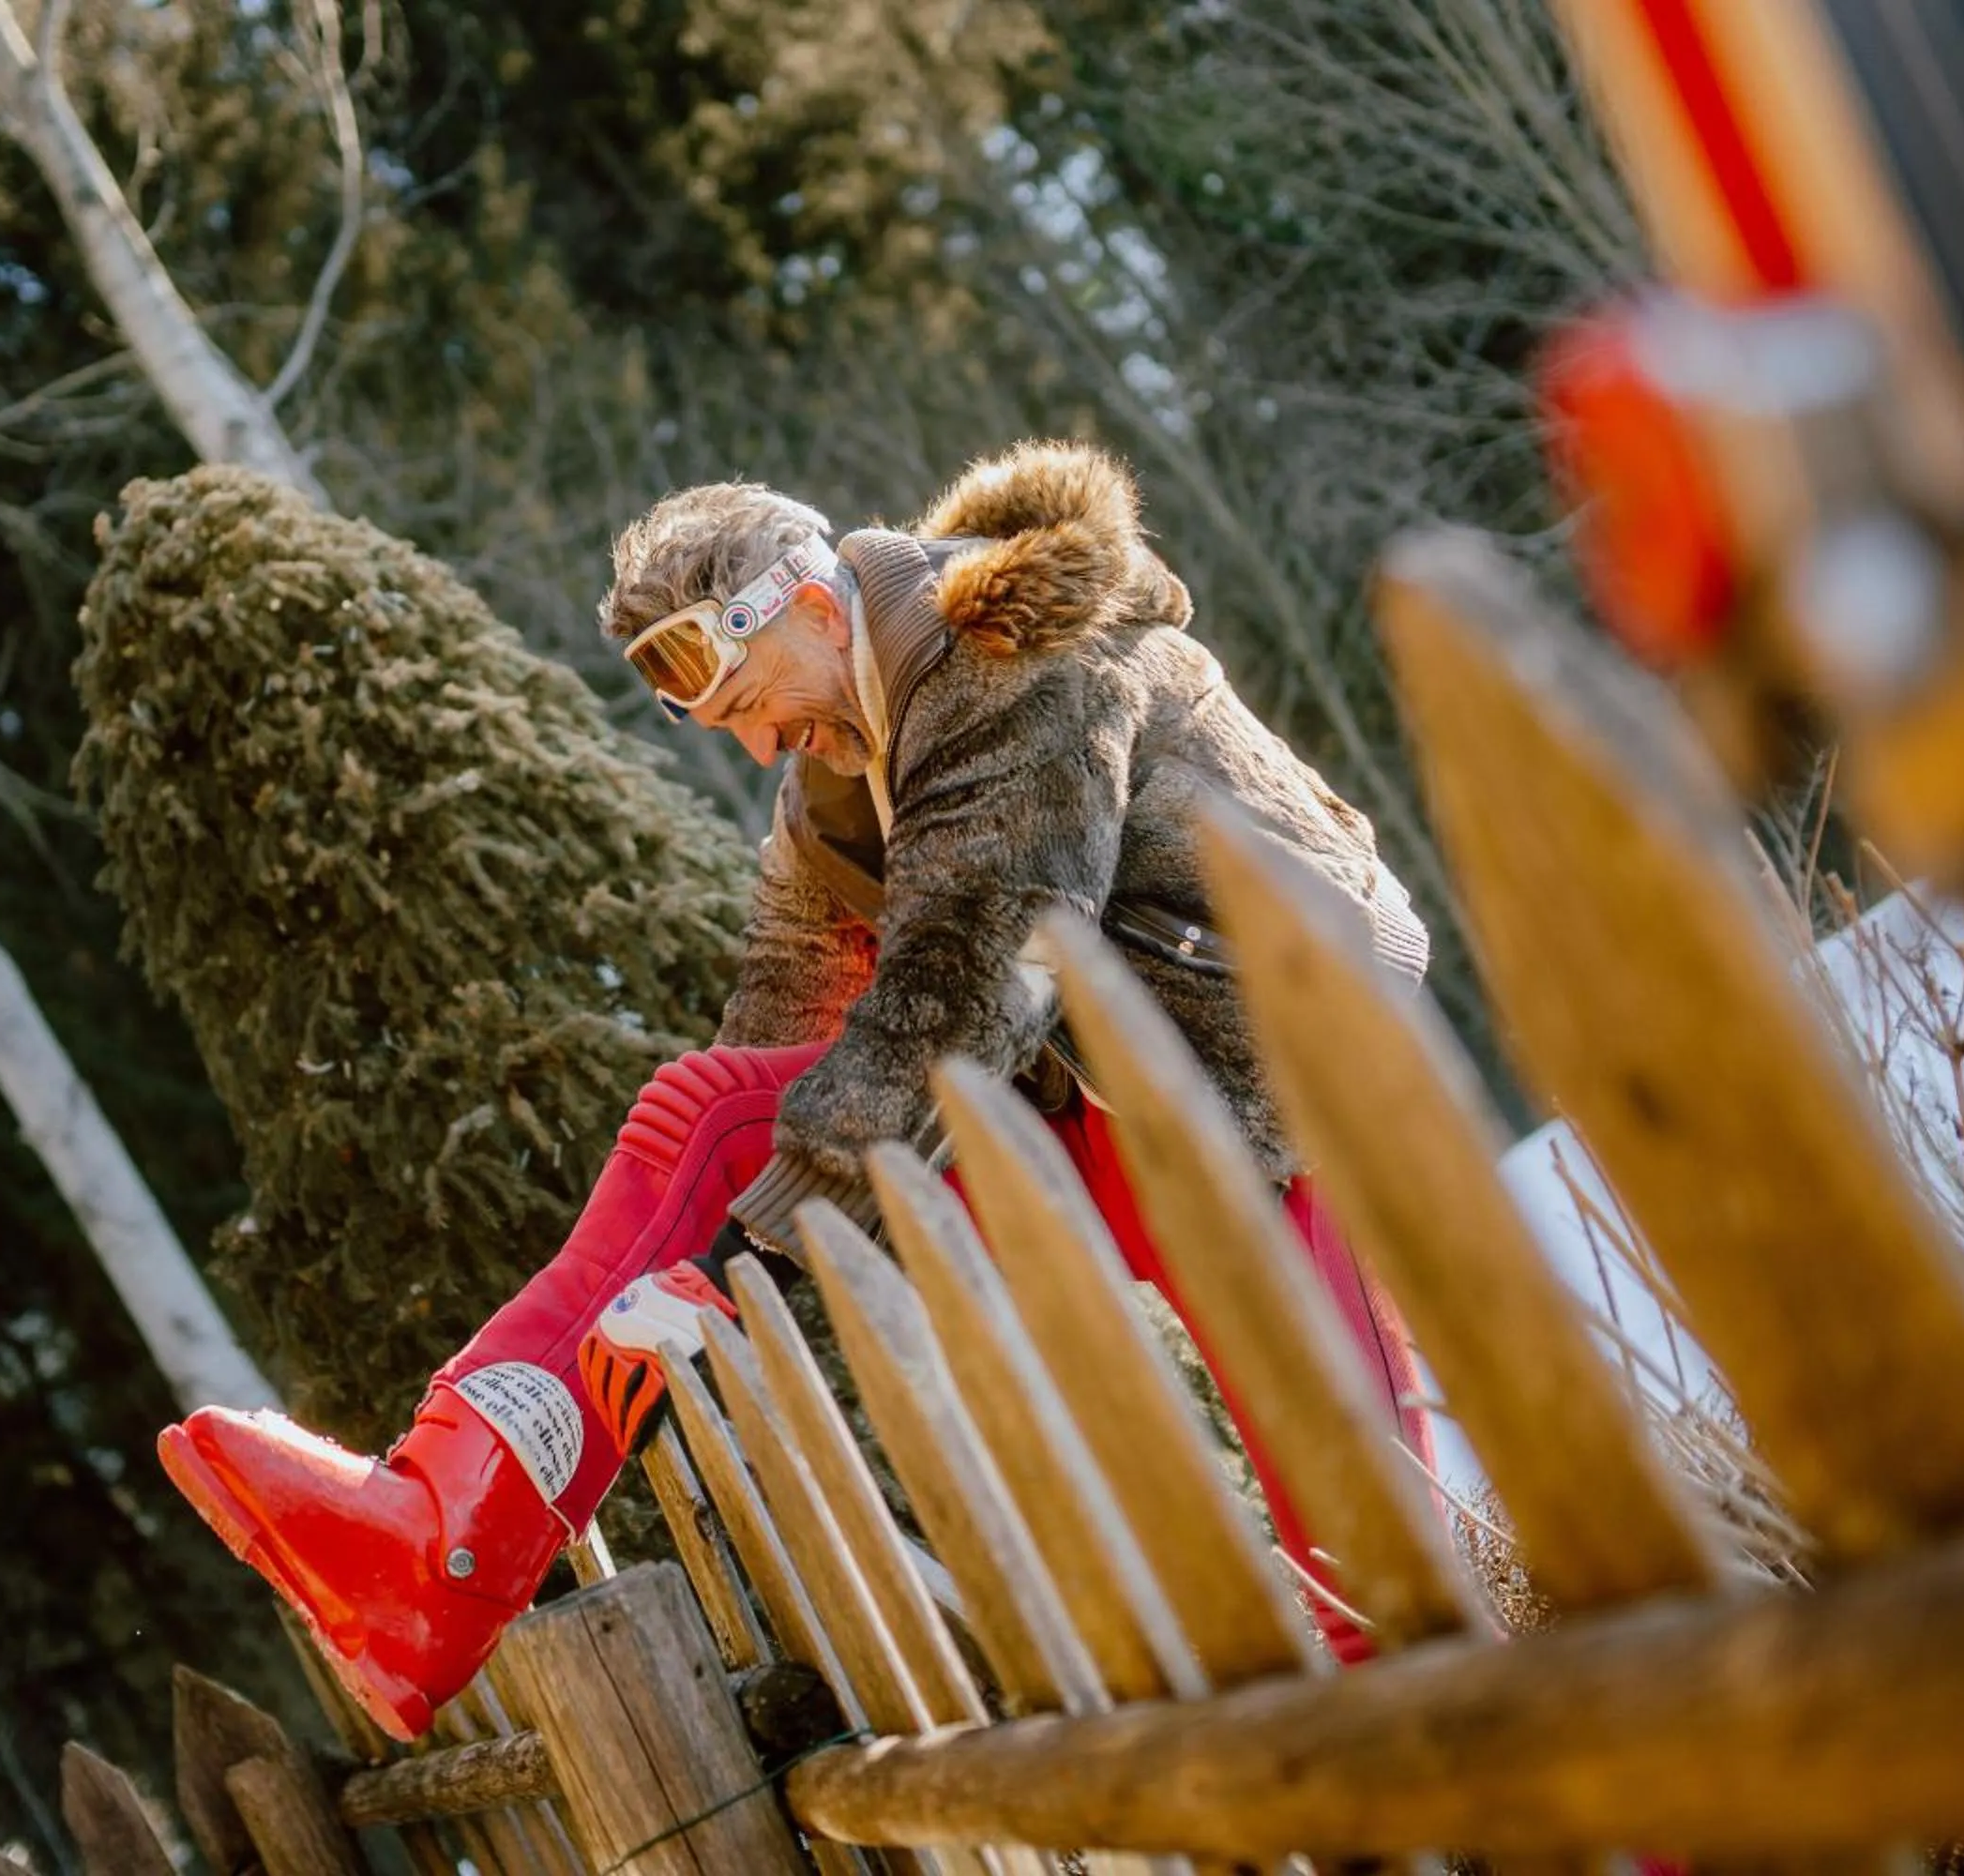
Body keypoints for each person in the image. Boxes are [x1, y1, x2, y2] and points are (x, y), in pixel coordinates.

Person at [158, 440, 1436, 1740]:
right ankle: (441, 1540)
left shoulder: (1012, 662)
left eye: (758, 701)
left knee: (1371, 1550)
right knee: (709, 1113)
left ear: (817, 609)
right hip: (1087, 1117)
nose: (766, 741)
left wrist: (745, 1246)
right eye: (731, 729)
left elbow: (974, 975)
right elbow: (784, 1008)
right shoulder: (834, 776)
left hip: (1270, 1108)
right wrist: (687, 1262)